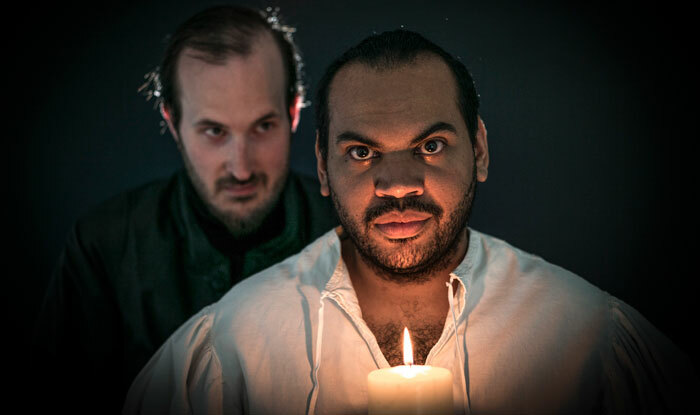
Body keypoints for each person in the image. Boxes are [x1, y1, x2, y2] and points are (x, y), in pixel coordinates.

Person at [123, 30, 695, 415]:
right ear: (322, 168)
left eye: (430, 144)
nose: (398, 185)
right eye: (362, 153)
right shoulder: (228, 349)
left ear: (481, 151)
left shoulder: (591, 339)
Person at [31, 6, 336, 414]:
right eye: (214, 131)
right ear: (172, 122)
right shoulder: (104, 246)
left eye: (263, 126)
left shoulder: (347, 230)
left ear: (293, 112)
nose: (241, 167)